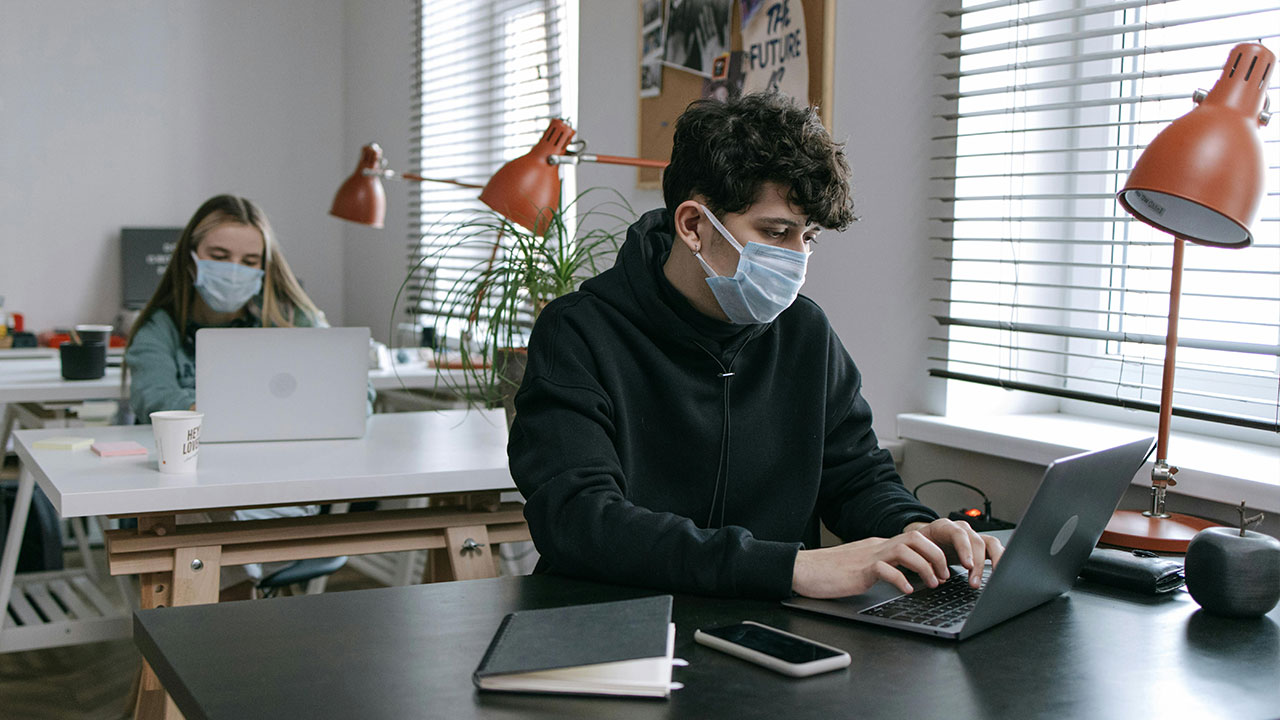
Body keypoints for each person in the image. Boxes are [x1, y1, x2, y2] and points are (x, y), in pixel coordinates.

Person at [508, 93, 1004, 600]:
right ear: (693, 225)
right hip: (614, 628)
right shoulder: (579, 332)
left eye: (807, 236)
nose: (797, 258)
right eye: (776, 232)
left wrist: (914, 531)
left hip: (767, 628)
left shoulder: (805, 333)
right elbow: (579, 521)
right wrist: (791, 567)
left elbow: (857, 478)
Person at [124, 194, 367, 600]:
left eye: (250, 261)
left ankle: (218, 637)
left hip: (279, 488)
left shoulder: (291, 318)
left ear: (264, 266)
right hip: (198, 489)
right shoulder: (158, 327)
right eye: (219, 255)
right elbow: (154, 398)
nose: (234, 270)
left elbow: (357, 392)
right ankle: (239, 626)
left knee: (200, 535)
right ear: (191, 257)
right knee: (195, 513)